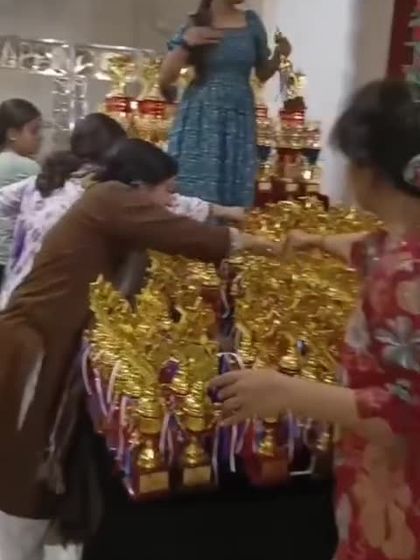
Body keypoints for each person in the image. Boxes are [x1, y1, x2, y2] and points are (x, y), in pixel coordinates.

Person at [0, 137, 282, 560]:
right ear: (136, 187)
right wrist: (265, 244)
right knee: (24, 467)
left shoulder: (111, 206)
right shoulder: (109, 199)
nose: (171, 202)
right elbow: (184, 233)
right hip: (36, 347)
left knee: (42, 465)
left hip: (55, 344)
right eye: (167, 191)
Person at [212, 79, 420, 560]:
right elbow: (371, 249)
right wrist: (317, 241)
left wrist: (286, 392)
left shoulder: (406, 273)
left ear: (367, 170)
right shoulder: (400, 246)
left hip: (400, 490)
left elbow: (406, 412)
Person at [0, 113, 244, 309]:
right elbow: (169, 208)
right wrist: (231, 216)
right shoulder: (101, 195)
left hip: (12, 296)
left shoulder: (43, 182)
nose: (169, 200)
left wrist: (15, 241)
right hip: (46, 312)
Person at [160, 0, 291, 208]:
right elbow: (166, 78)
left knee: (234, 183)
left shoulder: (251, 22)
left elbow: (262, 72)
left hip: (239, 114)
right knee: (198, 181)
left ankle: (229, 226)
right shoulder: (196, 22)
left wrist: (279, 54)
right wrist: (186, 43)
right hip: (202, 115)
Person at [0, 99, 42, 278]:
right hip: (9, 256)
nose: (39, 137)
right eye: (34, 131)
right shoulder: (27, 167)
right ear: (12, 134)